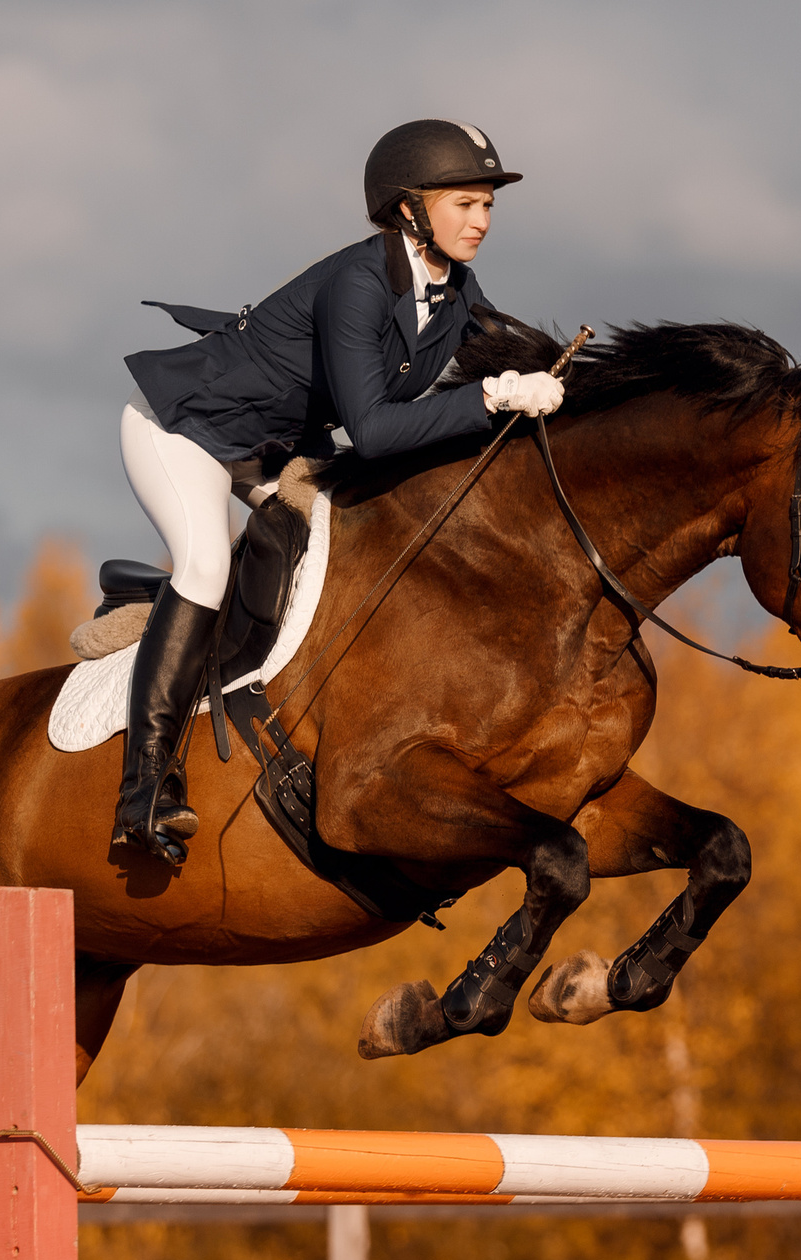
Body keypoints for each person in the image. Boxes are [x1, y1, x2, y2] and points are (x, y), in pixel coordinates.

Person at [112, 119, 565, 865]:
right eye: (465, 204)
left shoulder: (456, 288)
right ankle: (144, 792)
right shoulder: (359, 282)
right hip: (186, 429)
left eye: (488, 204)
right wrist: (493, 397)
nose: (482, 220)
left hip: (272, 447)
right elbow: (378, 432)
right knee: (203, 569)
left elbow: (498, 361)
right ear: (409, 208)